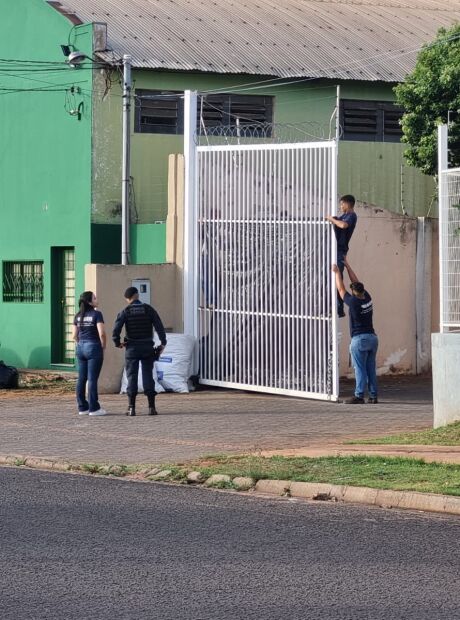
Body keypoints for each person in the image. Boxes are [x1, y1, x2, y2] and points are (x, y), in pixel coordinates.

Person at [112, 287, 167, 417]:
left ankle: (131, 408)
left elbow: (116, 330)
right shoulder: (149, 309)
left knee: (132, 377)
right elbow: (159, 326)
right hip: (147, 347)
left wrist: (117, 343)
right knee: (148, 376)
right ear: (137, 295)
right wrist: (163, 342)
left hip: (131, 348)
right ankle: (151, 408)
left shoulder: (125, 311)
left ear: (127, 299)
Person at [332, 258, 378, 404]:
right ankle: (373, 396)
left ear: (354, 292)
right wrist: (347, 265)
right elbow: (355, 280)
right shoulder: (367, 297)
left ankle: (359, 395)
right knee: (370, 368)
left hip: (360, 340)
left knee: (360, 368)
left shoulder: (353, 302)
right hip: (373, 339)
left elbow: (341, 289)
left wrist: (337, 272)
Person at [72, 291, 107, 416]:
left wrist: (81, 344)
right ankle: (94, 408)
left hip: (81, 348)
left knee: (82, 378)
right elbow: (101, 333)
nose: (97, 299)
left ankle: (82, 407)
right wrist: (103, 345)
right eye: (94, 298)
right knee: (92, 378)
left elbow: (74, 336)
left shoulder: (77, 316)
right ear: (89, 302)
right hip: (93, 347)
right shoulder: (97, 314)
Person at [326, 195, 357, 317]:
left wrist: (331, 219)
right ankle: (335, 306)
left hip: (340, 251)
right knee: (334, 279)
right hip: (336, 250)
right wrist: (333, 219)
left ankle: (338, 308)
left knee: (337, 279)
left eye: (342, 204)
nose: (340, 206)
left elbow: (343, 225)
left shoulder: (351, 216)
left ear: (347, 204)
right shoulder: (344, 216)